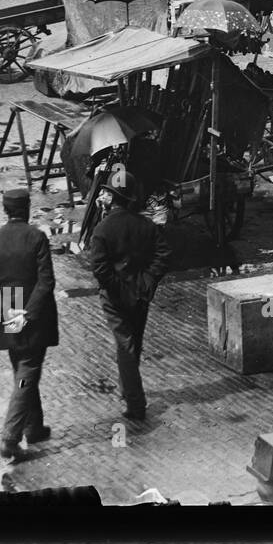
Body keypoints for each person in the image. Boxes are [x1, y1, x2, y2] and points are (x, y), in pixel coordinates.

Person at [0, 187, 58, 462]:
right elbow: (47, 281)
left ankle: (33, 428)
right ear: (27, 208)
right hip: (34, 320)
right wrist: (29, 314)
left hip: (9, 318)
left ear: (5, 209)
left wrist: (7, 312)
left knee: (23, 370)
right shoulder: (37, 237)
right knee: (26, 375)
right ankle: (10, 439)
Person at [89, 173, 170, 422]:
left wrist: (117, 288)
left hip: (114, 297)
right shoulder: (146, 225)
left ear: (112, 198)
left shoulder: (101, 230)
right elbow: (163, 254)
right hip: (141, 294)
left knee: (125, 344)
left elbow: (100, 269)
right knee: (133, 340)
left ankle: (135, 403)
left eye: (105, 193)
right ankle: (127, 390)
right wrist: (146, 281)